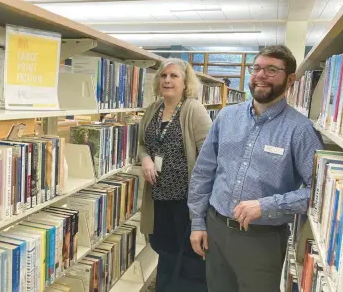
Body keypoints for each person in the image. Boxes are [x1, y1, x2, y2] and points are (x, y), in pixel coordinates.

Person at [188, 45, 325, 292]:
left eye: (272, 70)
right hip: (216, 230)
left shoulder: (300, 130)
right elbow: (203, 173)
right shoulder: (226, 117)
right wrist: (197, 222)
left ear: (290, 79)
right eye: (257, 68)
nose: (260, 75)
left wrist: (267, 205)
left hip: (263, 241)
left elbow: (318, 194)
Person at [138, 58, 212, 291]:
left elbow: (210, 154)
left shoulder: (193, 109)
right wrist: (146, 158)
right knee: (165, 250)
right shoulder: (153, 110)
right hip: (158, 198)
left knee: (190, 256)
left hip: (186, 200)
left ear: (185, 82)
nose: (167, 80)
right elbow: (141, 144)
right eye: (163, 76)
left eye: (174, 76)